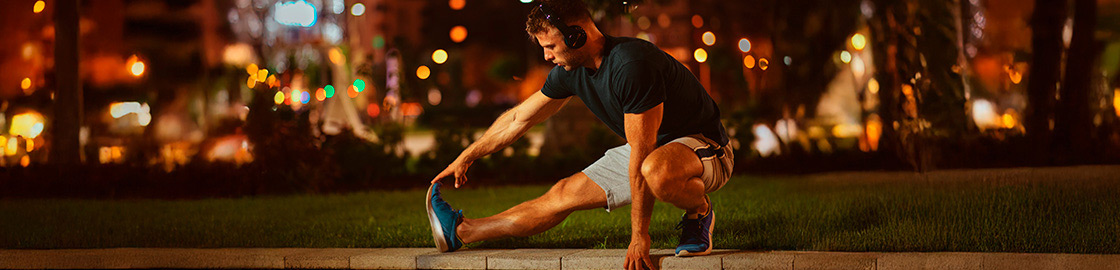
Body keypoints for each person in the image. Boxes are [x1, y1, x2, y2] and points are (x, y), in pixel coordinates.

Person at [425, 0, 733, 269]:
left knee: (654, 170)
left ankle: (699, 211)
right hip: (652, 150)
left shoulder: (631, 65)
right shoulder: (571, 72)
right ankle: (462, 231)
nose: (546, 56)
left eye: (550, 46)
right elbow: (518, 119)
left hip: (704, 147)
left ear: (576, 35)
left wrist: (640, 236)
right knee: (562, 194)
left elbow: (642, 151)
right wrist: (467, 156)